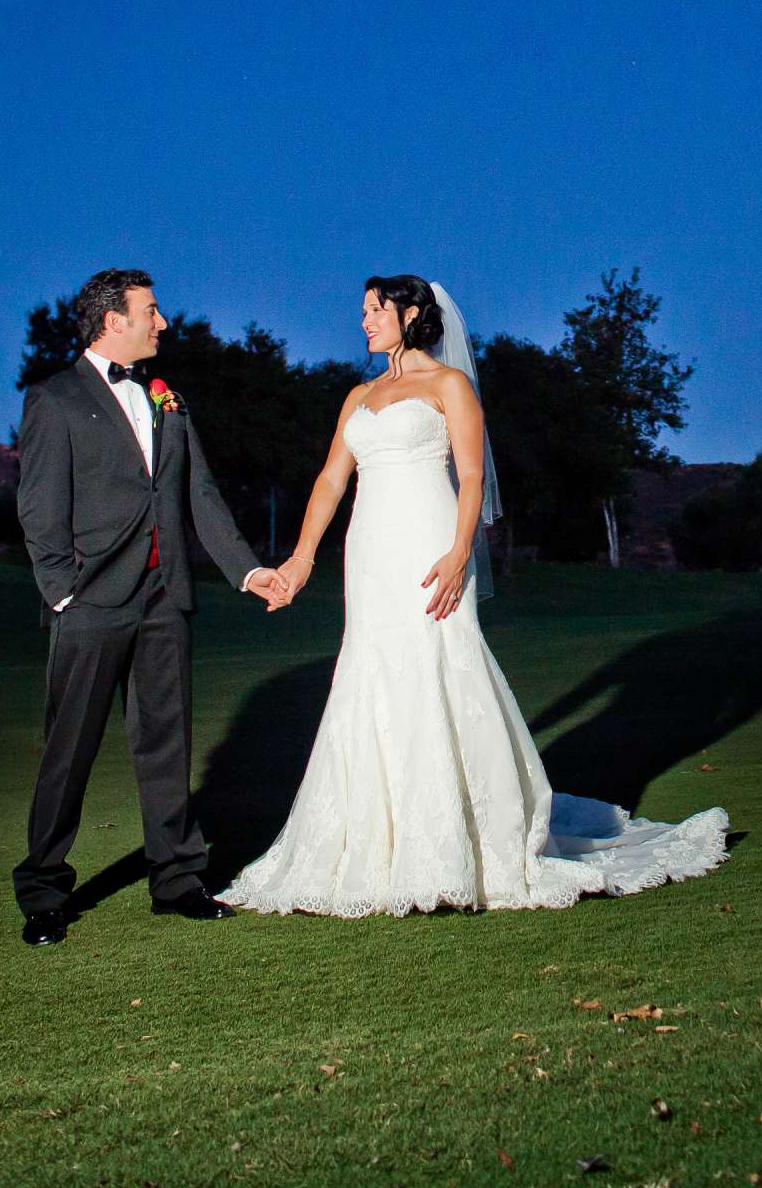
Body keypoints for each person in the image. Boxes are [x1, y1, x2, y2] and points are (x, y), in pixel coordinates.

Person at [218, 274, 728, 916]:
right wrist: (299, 559)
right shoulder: (358, 395)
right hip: (370, 552)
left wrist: (460, 551)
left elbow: (470, 476)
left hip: (430, 544)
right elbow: (328, 479)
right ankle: (374, 843)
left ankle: (462, 848)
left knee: (440, 665)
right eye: (363, 312)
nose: (365, 322)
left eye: (375, 311)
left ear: (411, 315)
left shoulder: (448, 386)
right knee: (373, 674)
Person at [11, 267, 290, 946]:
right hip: (91, 604)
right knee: (68, 751)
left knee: (166, 747)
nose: (162, 323)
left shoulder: (169, 400)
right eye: (151, 311)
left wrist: (248, 571)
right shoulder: (54, 400)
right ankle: (45, 893)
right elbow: (39, 509)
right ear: (114, 321)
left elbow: (200, 498)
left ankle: (177, 881)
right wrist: (64, 592)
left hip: (166, 601)